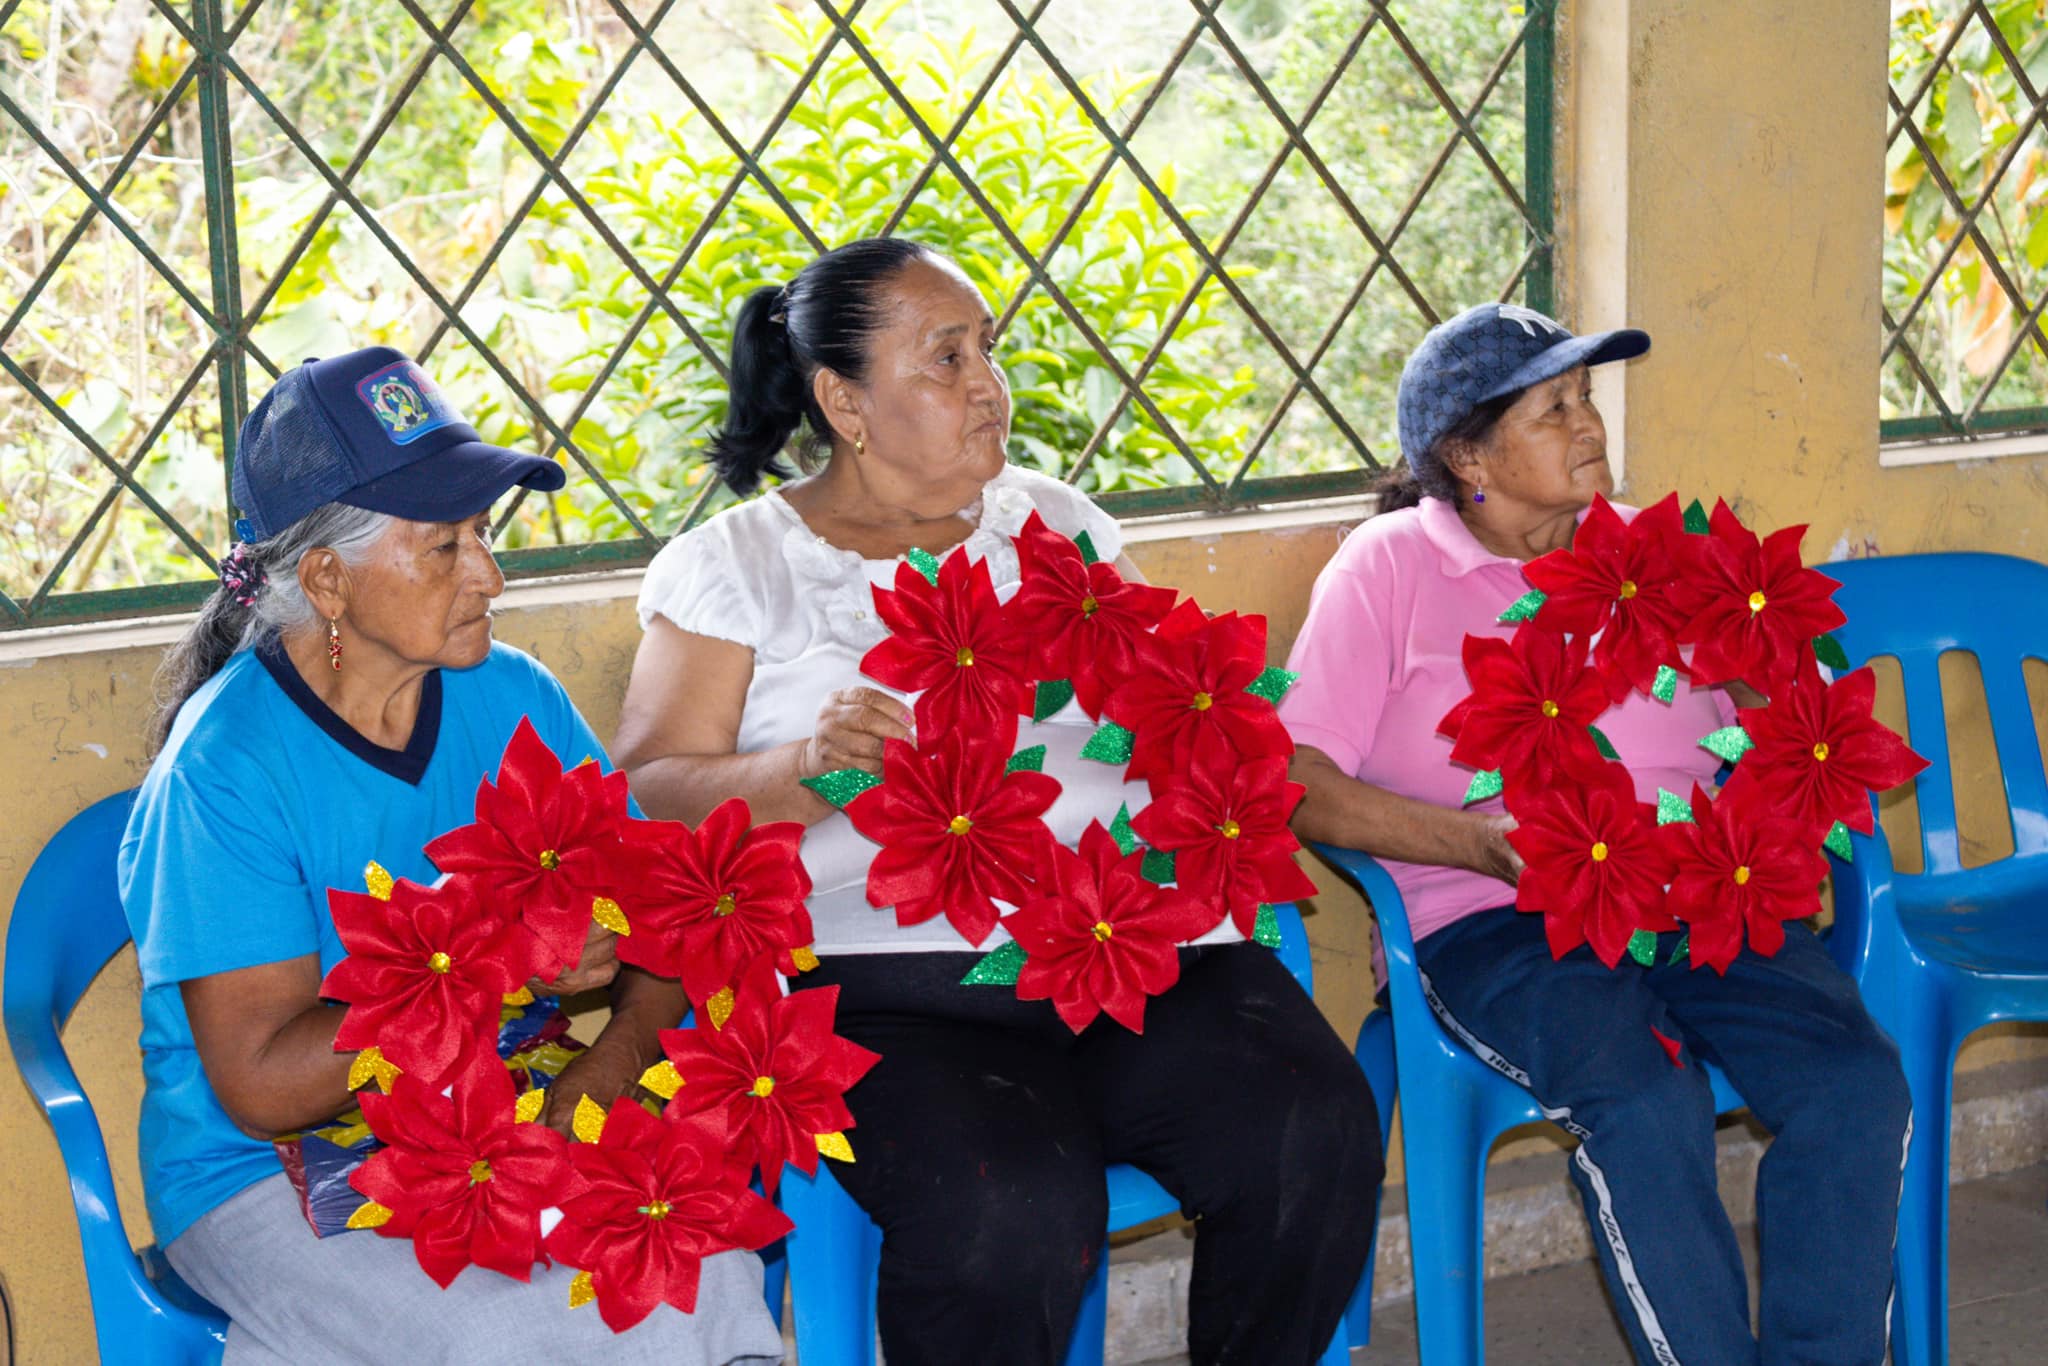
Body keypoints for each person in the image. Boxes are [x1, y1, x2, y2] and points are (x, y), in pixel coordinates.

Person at [613, 237, 1383, 1366]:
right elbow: (647, 789)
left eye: (988, 349)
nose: (989, 384)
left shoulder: (1057, 522)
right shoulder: (740, 564)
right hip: (887, 995)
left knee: (1312, 1130)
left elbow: (1164, 705)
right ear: (843, 402)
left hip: (1125, 950)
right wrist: (798, 768)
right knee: (1006, 1210)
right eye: (946, 358)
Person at [121, 348, 784, 1365]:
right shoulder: (223, 771)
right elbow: (264, 1088)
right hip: (262, 1167)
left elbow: (665, 925)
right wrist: (497, 959)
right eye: (444, 547)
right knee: (504, 1331)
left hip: (504, 1110)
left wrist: (612, 1060)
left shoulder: (508, 695)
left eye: (483, 533)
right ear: (328, 579)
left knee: (699, 1269)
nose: (489, 575)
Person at [1282, 303, 1913, 1366]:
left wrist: (1759, 676)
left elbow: (1794, 724)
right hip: (1494, 918)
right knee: (1644, 1098)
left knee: (1853, 1081)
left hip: (1695, 890)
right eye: (1552, 408)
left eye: (1586, 398)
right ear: (1466, 456)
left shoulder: (1658, 551)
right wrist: (1478, 844)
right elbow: (1298, 782)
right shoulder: (1387, 567)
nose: (1588, 425)